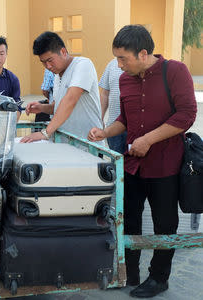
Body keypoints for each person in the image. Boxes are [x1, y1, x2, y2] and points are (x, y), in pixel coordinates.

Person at [88, 25, 197, 298]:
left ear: (144, 53)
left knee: (164, 224)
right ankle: (130, 272)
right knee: (129, 220)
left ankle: (159, 278)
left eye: (123, 58)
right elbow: (124, 120)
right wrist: (104, 131)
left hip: (166, 165)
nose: (118, 64)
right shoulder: (124, 79)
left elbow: (186, 114)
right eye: (116, 58)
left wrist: (148, 139)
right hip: (133, 165)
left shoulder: (175, 71)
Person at [21, 31, 102, 143]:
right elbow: (58, 106)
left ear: (63, 52)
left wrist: (45, 133)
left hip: (87, 144)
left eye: (50, 60)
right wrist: (42, 108)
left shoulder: (83, 65)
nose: (48, 66)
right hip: (66, 142)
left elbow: (70, 100)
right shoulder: (57, 75)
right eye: (43, 62)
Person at [99, 58, 125, 153]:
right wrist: (100, 118)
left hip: (133, 129)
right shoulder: (112, 64)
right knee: (116, 164)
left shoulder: (139, 64)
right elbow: (104, 94)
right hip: (113, 128)